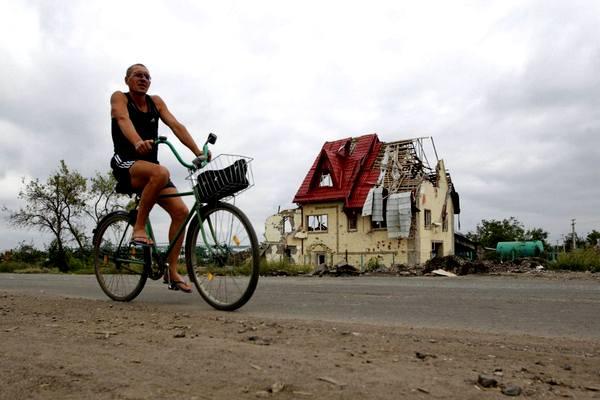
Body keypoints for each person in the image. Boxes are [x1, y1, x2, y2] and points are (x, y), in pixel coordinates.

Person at [110, 63, 204, 293]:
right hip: (126, 163)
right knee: (161, 172)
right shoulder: (120, 97)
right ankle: (139, 228)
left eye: (147, 76)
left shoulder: (156, 102)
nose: (143, 79)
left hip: (151, 170)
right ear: (127, 80)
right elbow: (123, 119)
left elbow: (175, 125)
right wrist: (137, 142)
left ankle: (172, 271)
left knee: (181, 212)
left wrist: (198, 153)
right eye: (137, 75)